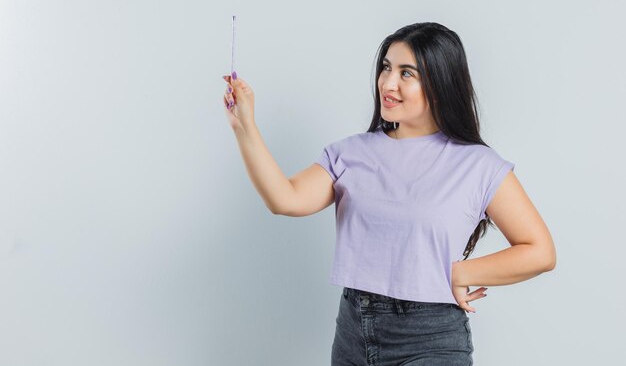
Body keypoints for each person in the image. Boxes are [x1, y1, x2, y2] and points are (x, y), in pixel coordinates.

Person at [221, 22, 557, 366]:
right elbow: (285, 199)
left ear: (440, 85)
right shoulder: (351, 153)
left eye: (406, 73)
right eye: (386, 67)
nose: (387, 83)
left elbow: (540, 251)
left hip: (430, 338)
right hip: (353, 329)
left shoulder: (478, 164)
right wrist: (245, 125)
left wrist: (461, 273)